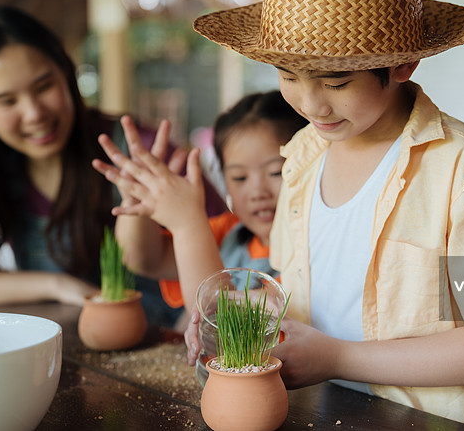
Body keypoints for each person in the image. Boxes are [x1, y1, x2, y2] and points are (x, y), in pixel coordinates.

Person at [188, 0, 464, 431]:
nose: (311, 105)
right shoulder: (300, 159)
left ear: (403, 63)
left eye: (336, 82)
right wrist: (247, 312)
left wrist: (337, 357)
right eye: (288, 76)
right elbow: (311, 294)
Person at [0, 6, 224, 328]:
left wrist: (196, 328)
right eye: (7, 101)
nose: (34, 113)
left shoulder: (142, 150)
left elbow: (234, 252)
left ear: (66, 72)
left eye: (44, 86)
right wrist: (57, 285)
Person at [92, 90, 307, 315]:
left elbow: (221, 319)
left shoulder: (313, 251)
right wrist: (138, 199)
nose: (257, 192)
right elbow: (144, 260)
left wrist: (187, 223)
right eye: (239, 178)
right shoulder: (227, 231)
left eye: (276, 172)